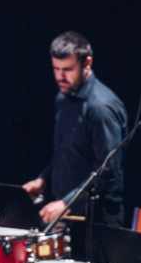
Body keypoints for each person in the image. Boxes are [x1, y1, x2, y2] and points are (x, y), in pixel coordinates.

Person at [23, 31, 126, 240]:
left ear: (87, 63)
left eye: (68, 69)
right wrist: (43, 178)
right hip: (67, 212)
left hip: (97, 221)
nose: (60, 77)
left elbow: (107, 171)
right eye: (56, 69)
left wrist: (66, 202)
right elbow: (66, 151)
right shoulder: (63, 97)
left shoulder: (101, 108)